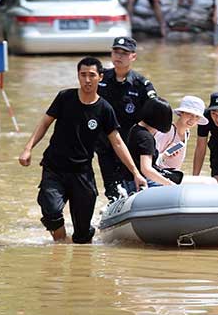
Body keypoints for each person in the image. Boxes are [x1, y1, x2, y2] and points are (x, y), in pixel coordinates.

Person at [18, 57, 147, 244]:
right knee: (51, 210)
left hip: (82, 173)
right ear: (78, 76)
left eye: (92, 75)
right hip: (55, 168)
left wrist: (136, 172)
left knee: (82, 236)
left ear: (100, 78)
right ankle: (60, 244)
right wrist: (27, 149)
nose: (87, 80)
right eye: (83, 75)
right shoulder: (65, 97)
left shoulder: (104, 109)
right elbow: (45, 122)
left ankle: (78, 252)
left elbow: (117, 142)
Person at [96, 37, 158, 201]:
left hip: (131, 146)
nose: (119, 56)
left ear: (133, 57)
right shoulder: (100, 79)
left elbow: (155, 114)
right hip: (105, 145)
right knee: (112, 190)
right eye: (116, 51)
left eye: (124, 53)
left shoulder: (142, 85)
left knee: (134, 186)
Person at [122, 98, 177, 192]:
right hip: (142, 183)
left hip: (128, 181)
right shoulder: (146, 138)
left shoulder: (135, 129)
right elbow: (146, 169)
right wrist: (170, 184)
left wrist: (163, 156)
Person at [155, 95, 209, 170]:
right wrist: (165, 155)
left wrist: (169, 152)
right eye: (190, 114)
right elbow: (150, 159)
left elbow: (172, 151)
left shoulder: (186, 133)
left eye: (197, 116)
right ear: (181, 113)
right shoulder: (168, 131)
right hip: (159, 176)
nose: (193, 120)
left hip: (173, 176)